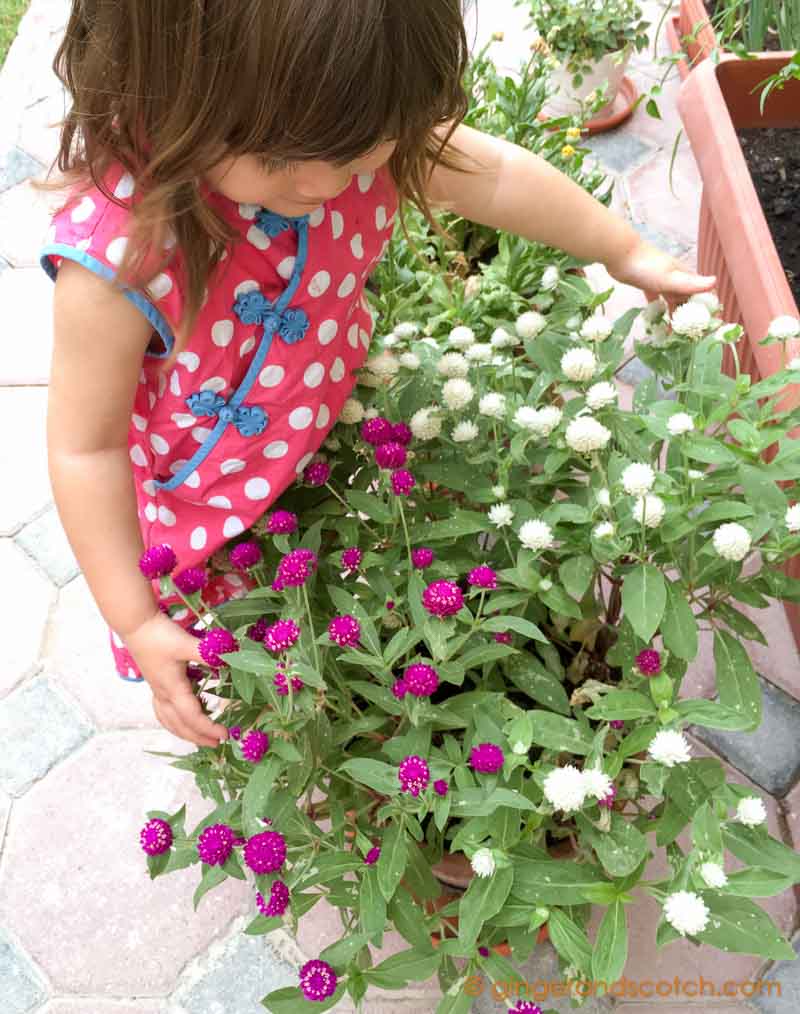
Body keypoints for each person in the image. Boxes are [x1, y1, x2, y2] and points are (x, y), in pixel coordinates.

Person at [43, 0, 714, 750]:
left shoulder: (349, 129)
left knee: (351, 622)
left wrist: (620, 249)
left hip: (331, 443)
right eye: (275, 158)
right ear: (171, 93)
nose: (326, 185)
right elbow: (85, 448)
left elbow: (491, 174)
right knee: (252, 688)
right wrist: (136, 618)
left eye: (361, 148)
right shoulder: (125, 253)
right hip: (206, 517)